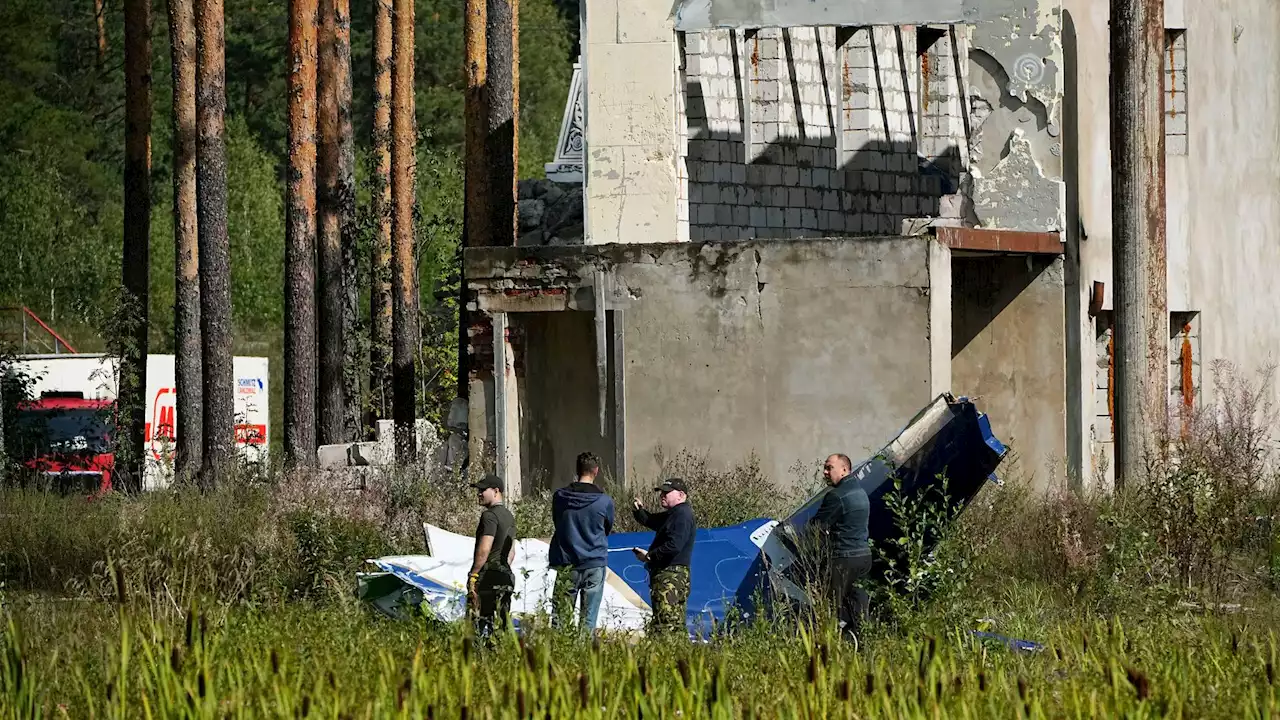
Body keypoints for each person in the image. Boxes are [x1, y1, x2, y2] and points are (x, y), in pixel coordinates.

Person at [549, 451, 616, 633]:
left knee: (560, 620)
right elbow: (606, 529)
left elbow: (558, 522)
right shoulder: (604, 502)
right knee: (588, 620)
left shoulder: (560, 497)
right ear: (596, 471)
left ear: (577, 470)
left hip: (566, 563)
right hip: (594, 562)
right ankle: (585, 656)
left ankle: (559, 655)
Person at [807, 453, 872, 639]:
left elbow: (816, 527)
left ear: (844, 469)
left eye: (829, 468)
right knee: (860, 606)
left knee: (829, 607)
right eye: (824, 468)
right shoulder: (861, 493)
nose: (825, 472)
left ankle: (828, 645)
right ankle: (862, 646)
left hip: (844, 558)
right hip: (864, 557)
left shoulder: (836, 496)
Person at [632, 479, 696, 635]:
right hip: (670, 575)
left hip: (671, 575)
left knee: (665, 623)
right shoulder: (674, 514)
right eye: (662, 492)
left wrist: (649, 556)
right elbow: (651, 520)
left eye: (667, 492)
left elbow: (674, 545)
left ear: (681, 495)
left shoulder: (682, 514)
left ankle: (664, 656)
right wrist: (639, 510)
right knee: (674, 623)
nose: (662, 495)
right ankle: (678, 655)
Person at [467, 474, 517, 641]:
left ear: (496, 491)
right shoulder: (509, 516)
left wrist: (473, 574)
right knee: (501, 625)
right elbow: (511, 553)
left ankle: (478, 660)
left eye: (483, 490)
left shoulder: (489, 516)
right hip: (505, 576)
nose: (479, 494)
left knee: (478, 624)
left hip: (488, 577)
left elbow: (484, 549)